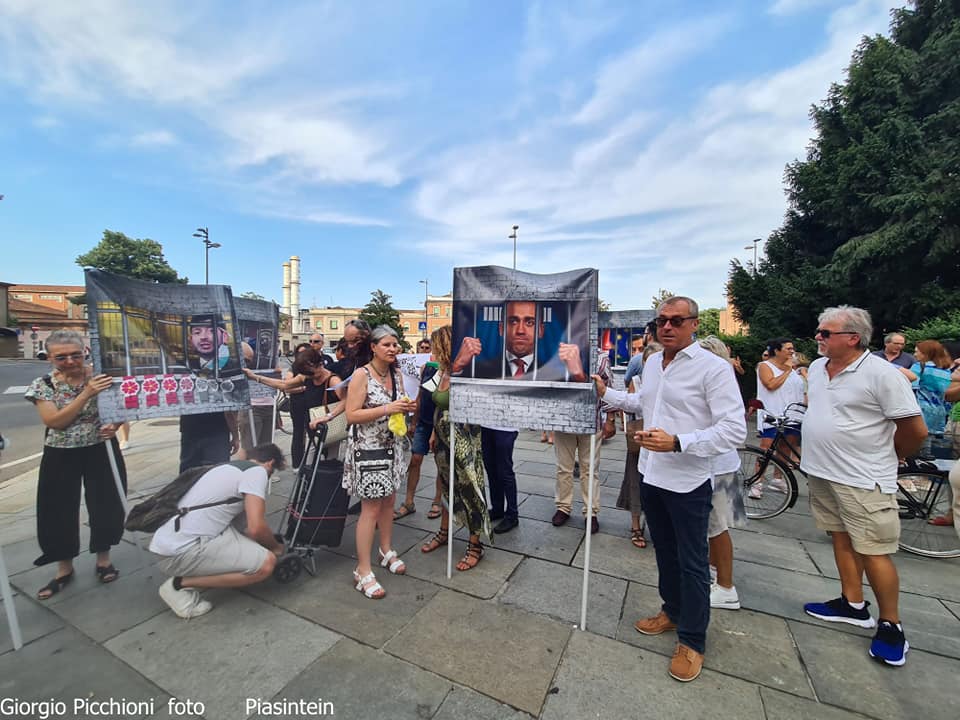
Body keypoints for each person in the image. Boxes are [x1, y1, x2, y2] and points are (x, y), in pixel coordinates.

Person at [594, 297, 746, 682]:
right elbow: (642, 402)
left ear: (694, 324)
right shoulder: (652, 363)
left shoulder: (713, 368)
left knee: (692, 561)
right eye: (661, 320)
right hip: (651, 473)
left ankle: (692, 640)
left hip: (688, 480)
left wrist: (679, 442)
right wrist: (606, 393)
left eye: (676, 321)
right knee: (664, 551)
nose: (666, 326)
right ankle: (672, 611)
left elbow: (734, 429)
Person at [800, 306, 926, 667]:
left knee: (874, 550)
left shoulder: (882, 374)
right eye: (819, 331)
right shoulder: (817, 369)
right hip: (823, 472)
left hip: (862, 477)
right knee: (840, 537)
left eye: (826, 333)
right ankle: (852, 603)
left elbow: (914, 430)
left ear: (853, 338)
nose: (818, 337)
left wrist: (894, 455)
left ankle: (891, 625)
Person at [25, 330, 126, 599]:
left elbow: (121, 407)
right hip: (60, 452)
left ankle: (103, 559)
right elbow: (55, 421)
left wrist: (115, 425)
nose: (70, 361)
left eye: (75, 355)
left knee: (106, 502)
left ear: (84, 353)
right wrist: (86, 394)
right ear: (49, 358)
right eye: (61, 357)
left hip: (100, 448)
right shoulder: (44, 384)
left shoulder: (101, 378)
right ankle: (64, 567)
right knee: (57, 508)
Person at [149, 444, 286, 618]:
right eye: (271, 472)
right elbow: (256, 528)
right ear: (270, 463)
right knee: (266, 565)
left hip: (167, 545)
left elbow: (242, 528)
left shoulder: (227, 467)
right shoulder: (257, 472)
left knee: (249, 546)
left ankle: (193, 575)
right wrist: (275, 548)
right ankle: (178, 585)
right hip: (179, 554)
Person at [343, 325, 417, 598]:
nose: (392, 349)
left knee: (389, 501)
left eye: (395, 344)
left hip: (392, 447)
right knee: (371, 508)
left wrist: (406, 407)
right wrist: (387, 408)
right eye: (386, 344)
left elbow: (398, 405)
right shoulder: (361, 375)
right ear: (373, 347)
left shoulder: (396, 374)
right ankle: (362, 570)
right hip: (368, 449)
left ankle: (385, 550)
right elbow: (351, 414)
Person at [420, 325, 493, 569]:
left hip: (463, 439)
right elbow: (439, 405)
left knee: (470, 488)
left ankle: (475, 545)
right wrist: (433, 432)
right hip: (442, 437)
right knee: (445, 486)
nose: (431, 351)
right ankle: (444, 532)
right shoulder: (442, 371)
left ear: (444, 346)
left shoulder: (467, 372)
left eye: (435, 346)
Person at [698, 336, 748, 611]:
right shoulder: (723, 381)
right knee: (716, 527)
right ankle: (715, 573)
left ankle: (726, 588)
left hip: (718, 465)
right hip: (723, 462)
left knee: (717, 527)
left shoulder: (716, 380)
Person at [551, 345, 612, 532]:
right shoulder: (557, 354)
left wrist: (610, 419)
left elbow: (608, 388)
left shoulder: (600, 357)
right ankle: (563, 506)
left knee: (590, 470)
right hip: (564, 421)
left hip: (591, 421)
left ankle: (591, 512)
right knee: (563, 467)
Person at [465, 300, 584, 381]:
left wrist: (580, 377)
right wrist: (457, 368)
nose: (520, 330)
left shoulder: (556, 375)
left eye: (529, 322)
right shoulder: (479, 371)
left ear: (540, 331)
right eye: (513, 322)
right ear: (501, 329)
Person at [751, 337, 806, 498]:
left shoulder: (794, 369)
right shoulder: (765, 366)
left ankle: (777, 478)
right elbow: (770, 385)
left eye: (792, 348)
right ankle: (757, 482)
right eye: (788, 348)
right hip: (773, 414)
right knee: (766, 449)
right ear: (777, 350)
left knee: (785, 447)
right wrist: (787, 371)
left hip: (793, 415)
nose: (792, 351)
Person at [394, 350, 443, 521]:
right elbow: (421, 396)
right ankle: (409, 502)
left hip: (440, 423)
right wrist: (414, 422)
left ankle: (437, 501)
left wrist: (435, 432)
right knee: (415, 459)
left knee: (440, 462)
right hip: (423, 421)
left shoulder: (449, 369)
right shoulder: (426, 368)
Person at [900, 340, 953, 448]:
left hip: (920, 413)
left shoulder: (919, 366)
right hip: (940, 415)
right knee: (935, 450)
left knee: (917, 449)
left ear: (927, 353)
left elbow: (910, 388)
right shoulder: (947, 370)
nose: (914, 355)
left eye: (917, 352)